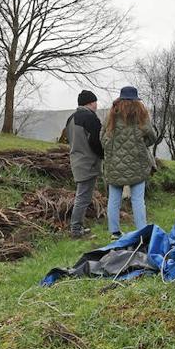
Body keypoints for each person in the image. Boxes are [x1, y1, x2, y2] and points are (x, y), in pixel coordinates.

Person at [101, 85, 158, 239]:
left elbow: (102, 137)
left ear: (120, 98)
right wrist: (140, 144)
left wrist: (111, 150)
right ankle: (142, 233)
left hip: (114, 164)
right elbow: (152, 137)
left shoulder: (111, 114)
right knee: (138, 199)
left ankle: (114, 233)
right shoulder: (141, 114)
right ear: (136, 99)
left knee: (114, 199)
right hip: (137, 163)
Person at [64, 89, 103, 238]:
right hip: (89, 162)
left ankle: (77, 227)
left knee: (82, 196)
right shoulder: (90, 118)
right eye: (95, 102)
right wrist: (103, 155)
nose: (96, 105)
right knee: (83, 197)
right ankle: (76, 230)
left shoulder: (71, 118)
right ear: (91, 102)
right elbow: (96, 141)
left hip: (76, 160)